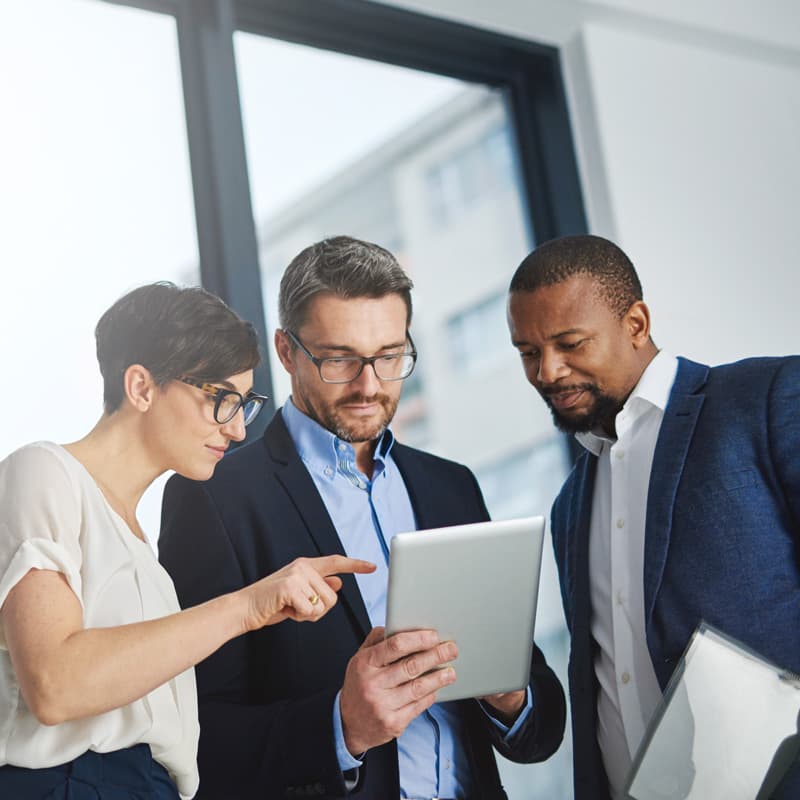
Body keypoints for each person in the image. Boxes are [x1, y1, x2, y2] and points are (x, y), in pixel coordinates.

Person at [159, 236, 566, 799]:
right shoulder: (214, 498)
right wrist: (341, 725)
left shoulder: (451, 488)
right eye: (339, 359)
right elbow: (194, 737)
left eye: (390, 356)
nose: (370, 385)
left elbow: (540, 731)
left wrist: (508, 696)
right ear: (286, 351)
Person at [0, 282, 374, 799]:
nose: (239, 429)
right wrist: (247, 607)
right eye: (221, 399)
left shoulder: (140, 550)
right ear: (141, 388)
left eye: (247, 404)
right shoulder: (43, 472)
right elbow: (54, 683)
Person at [506, 233, 800, 799]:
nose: (547, 372)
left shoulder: (763, 401)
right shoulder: (570, 505)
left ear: (636, 323)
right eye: (527, 353)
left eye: (570, 343)